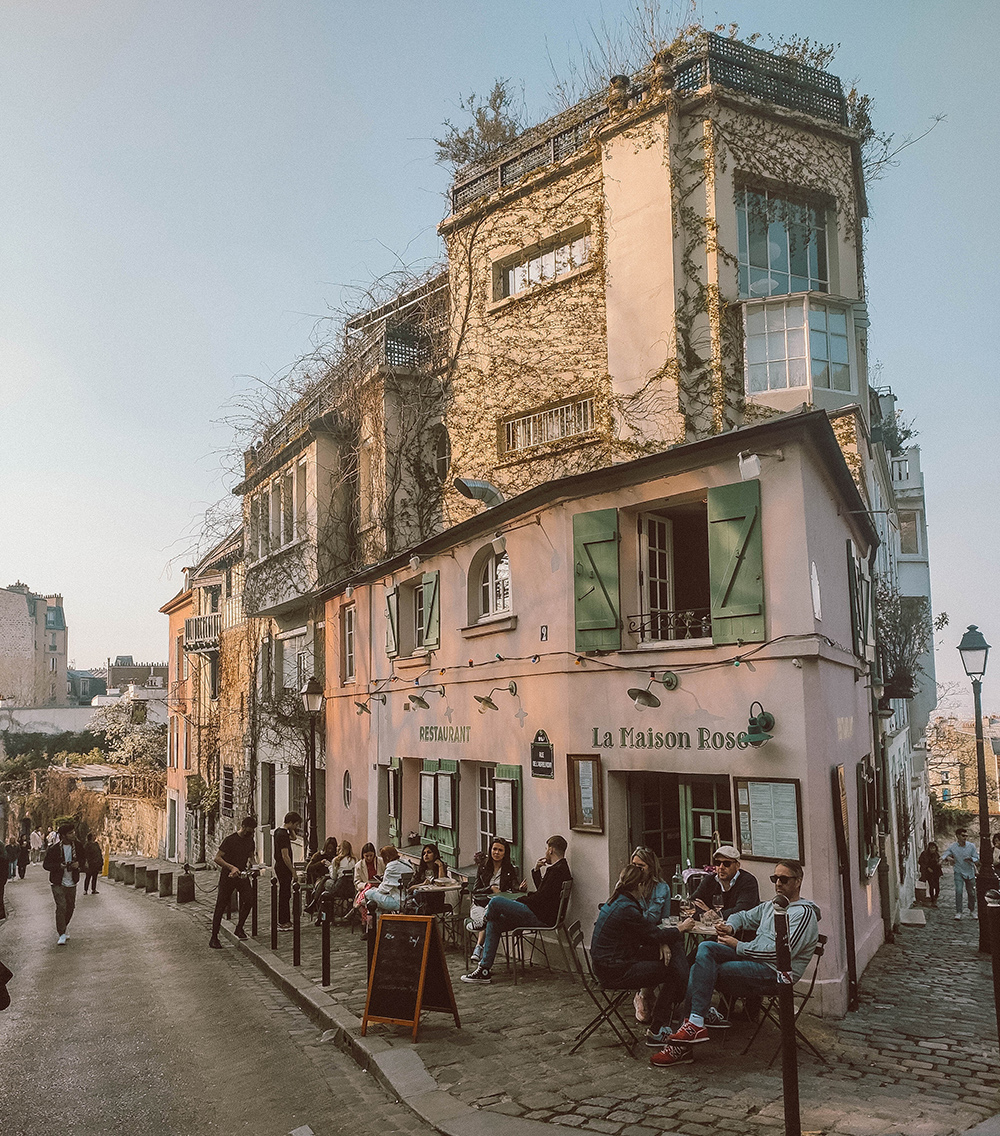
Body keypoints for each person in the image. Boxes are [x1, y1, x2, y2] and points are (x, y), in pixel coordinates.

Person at [652, 859, 820, 1067]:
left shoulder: (803, 913)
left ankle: (687, 1037)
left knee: (701, 970)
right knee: (706, 949)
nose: (778, 883)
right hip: (751, 961)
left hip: (774, 974)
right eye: (774, 878)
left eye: (784, 879)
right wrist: (730, 927)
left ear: (798, 881)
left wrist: (738, 945)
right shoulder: (771, 905)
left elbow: (782, 954)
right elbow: (743, 916)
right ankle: (695, 1023)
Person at [591, 864, 689, 1052]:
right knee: (673, 972)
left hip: (611, 961)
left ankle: (681, 991)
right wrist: (681, 928)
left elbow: (647, 934)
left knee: (672, 955)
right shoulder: (627, 908)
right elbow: (651, 934)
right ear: (640, 886)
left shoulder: (618, 900)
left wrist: (662, 942)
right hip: (614, 970)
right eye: (645, 886)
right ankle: (657, 1028)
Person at [461, 834, 571, 985]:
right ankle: (484, 970)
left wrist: (520, 899)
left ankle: (482, 923)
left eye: (546, 849)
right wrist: (537, 870)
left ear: (551, 850)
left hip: (541, 917)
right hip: (544, 914)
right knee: (495, 923)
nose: (546, 852)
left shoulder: (556, 871)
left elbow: (539, 898)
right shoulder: (562, 869)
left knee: (497, 901)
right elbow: (543, 893)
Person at [629, 847, 670, 1024]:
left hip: (653, 935)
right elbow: (632, 921)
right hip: (633, 938)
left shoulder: (662, 888)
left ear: (651, 867)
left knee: (672, 955)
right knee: (658, 956)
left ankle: (652, 996)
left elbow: (665, 920)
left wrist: (662, 940)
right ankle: (643, 995)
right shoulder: (626, 887)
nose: (637, 870)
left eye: (641, 866)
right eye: (634, 866)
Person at [209, 815, 258, 948]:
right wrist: (231, 867)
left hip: (242, 875)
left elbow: (251, 857)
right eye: (249, 831)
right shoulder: (230, 840)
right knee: (221, 904)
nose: (251, 834)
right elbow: (217, 858)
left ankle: (239, 927)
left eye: (253, 831)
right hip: (228, 876)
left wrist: (255, 866)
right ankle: (214, 937)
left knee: (249, 900)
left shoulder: (250, 841)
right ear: (242, 827)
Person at [469, 837, 520, 964]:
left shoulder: (509, 869)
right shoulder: (483, 867)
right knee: (487, 920)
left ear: (505, 853)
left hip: (495, 907)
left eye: (500, 850)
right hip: (479, 904)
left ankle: (478, 948)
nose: (496, 852)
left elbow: (514, 887)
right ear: (490, 850)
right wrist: (490, 889)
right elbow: (475, 890)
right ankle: (482, 950)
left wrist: (519, 887)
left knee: (488, 920)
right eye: (494, 849)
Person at [688, 845, 760, 923]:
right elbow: (691, 904)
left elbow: (741, 911)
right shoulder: (710, 880)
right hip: (714, 930)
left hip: (741, 932)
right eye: (718, 863)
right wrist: (706, 914)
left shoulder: (748, 881)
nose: (721, 867)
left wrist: (711, 912)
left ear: (737, 866)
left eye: (727, 864)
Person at [42, 821, 84, 945]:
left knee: (70, 907)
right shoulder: (54, 849)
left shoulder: (78, 846)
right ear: (63, 835)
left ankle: (64, 927)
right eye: (70, 833)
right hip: (58, 882)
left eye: (73, 832)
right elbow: (46, 865)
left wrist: (78, 864)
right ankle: (61, 933)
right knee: (61, 906)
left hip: (72, 881)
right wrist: (58, 866)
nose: (73, 834)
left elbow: (83, 859)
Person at [364, 845, 411, 922]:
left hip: (397, 901)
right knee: (378, 901)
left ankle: (372, 924)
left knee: (368, 893)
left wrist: (375, 890)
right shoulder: (407, 864)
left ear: (386, 857)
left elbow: (383, 889)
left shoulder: (391, 867)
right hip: (406, 899)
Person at [272, 811, 302, 931]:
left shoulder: (279, 832)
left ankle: (284, 920)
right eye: (296, 824)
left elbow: (294, 838)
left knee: (286, 893)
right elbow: (285, 856)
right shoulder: (283, 835)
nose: (297, 827)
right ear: (290, 822)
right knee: (285, 894)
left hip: (280, 866)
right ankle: (283, 921)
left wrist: (291, 829)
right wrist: (293, 871)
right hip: (283, 867)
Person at [943, 829, 979, 920]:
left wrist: (971, 859)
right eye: (963, 835)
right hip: (958, 871)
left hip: (969, 872)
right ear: (958, 836)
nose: (965, 838)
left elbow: (977, 858)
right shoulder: (953, 847)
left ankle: (972, 910)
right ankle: (959, 912)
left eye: (966, 836)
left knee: (971, 893)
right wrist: (947, 858)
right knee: (958, 891)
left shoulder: (971, 846)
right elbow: (945, 854)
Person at [918, 842, 943, 906]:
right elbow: (921, 862)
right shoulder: (924, 854)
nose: (932, 849)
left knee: (937, 886)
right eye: (931, 848)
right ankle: (932, 899)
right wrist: (927, 868)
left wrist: (939, 863)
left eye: (934, 848)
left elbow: (939, 861)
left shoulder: (936, 854)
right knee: (931, 886)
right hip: (928, 873)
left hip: (936, 872)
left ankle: (936, 897)